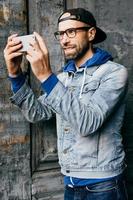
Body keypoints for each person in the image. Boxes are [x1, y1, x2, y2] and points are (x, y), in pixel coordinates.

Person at [4, 7, 128, 200]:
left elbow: (88, 123)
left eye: (71, 32)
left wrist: (46, 76)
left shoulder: (114, 73)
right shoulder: (63, 78)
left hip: (104, 185)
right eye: (60, 33)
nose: (64, 40)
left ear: (91, 33)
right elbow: (37, 113)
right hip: (70, 182)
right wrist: (15, 75)